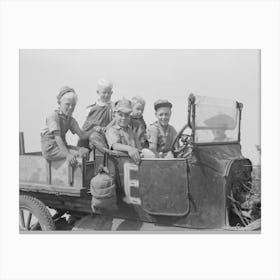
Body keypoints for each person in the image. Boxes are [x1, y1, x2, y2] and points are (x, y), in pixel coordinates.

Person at [41, 86, 95, 166]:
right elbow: (57, 137)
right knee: (76, 157)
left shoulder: (70, 120)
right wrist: (67, 155)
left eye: (73, 105)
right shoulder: (53, 116)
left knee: (85, 151)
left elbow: (82, 135)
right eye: (67, 104)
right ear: (59, 103)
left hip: (62, 147)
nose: (70, 108)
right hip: (51, 149)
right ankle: (78, 174)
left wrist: (94, 129)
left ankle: (84, 174)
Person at [105, 98, 155, 164]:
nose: (124, 118)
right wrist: (129, 149)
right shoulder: (112, 130)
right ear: (114, 115)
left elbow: (139, 148)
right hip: (120, 163)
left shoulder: (132, 132)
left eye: (127, 115)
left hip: (133, 163)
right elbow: (115, 145)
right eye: (120, 115)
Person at [78, 79, 114, 148]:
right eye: (104, 92)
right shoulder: (91, 108)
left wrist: (104, 129)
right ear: (98, 92)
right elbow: (86, 126)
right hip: (90, 133)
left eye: (109, 93)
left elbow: (114, 122)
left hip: (105, 135)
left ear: (111, 93)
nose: (106, 95)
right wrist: (93, 129)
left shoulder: (113, 107)